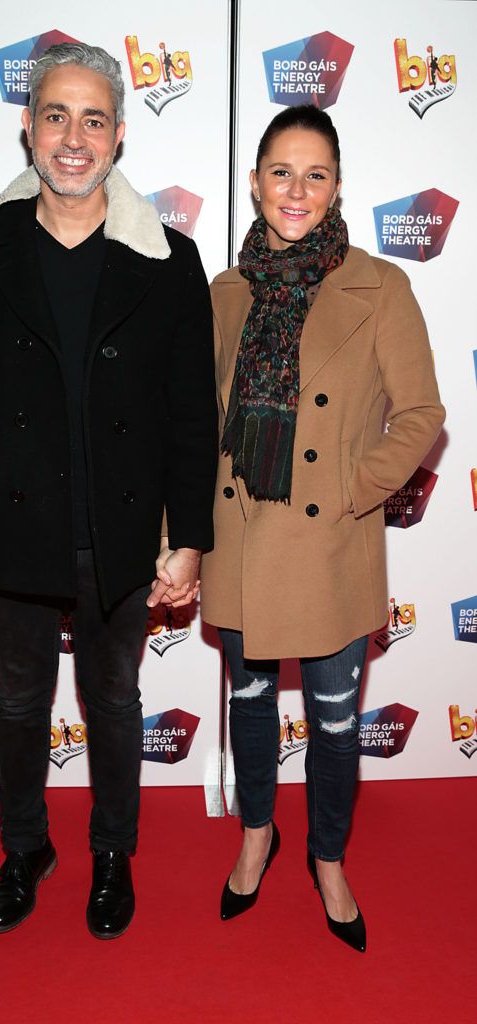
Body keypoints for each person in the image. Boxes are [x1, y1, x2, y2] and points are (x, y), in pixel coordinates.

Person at [0, 42, 217, 939]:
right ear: (27, 129)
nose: (72, 138)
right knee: (18, 703)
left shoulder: (168, 260)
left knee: (115, 703)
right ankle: (25, 846)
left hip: (119, 534)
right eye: (55, 115)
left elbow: (195, 413)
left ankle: (113, 851)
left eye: (93, 119)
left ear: (117, 137)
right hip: (15, 528)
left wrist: (187, 536)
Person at [200, 105, 444, 952]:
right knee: (252, 705)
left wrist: (351, 486)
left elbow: (419, 415)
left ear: (337, 185)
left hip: (331, 542)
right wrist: (183, 536)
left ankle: (328, 856)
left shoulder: (382, 287)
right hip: (240, 543)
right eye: (279, 172)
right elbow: (198, 424)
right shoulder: (225, 292)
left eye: (314, 174)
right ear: (255, 181)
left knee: (336, 723)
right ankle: (257, 835)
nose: (294, 190)